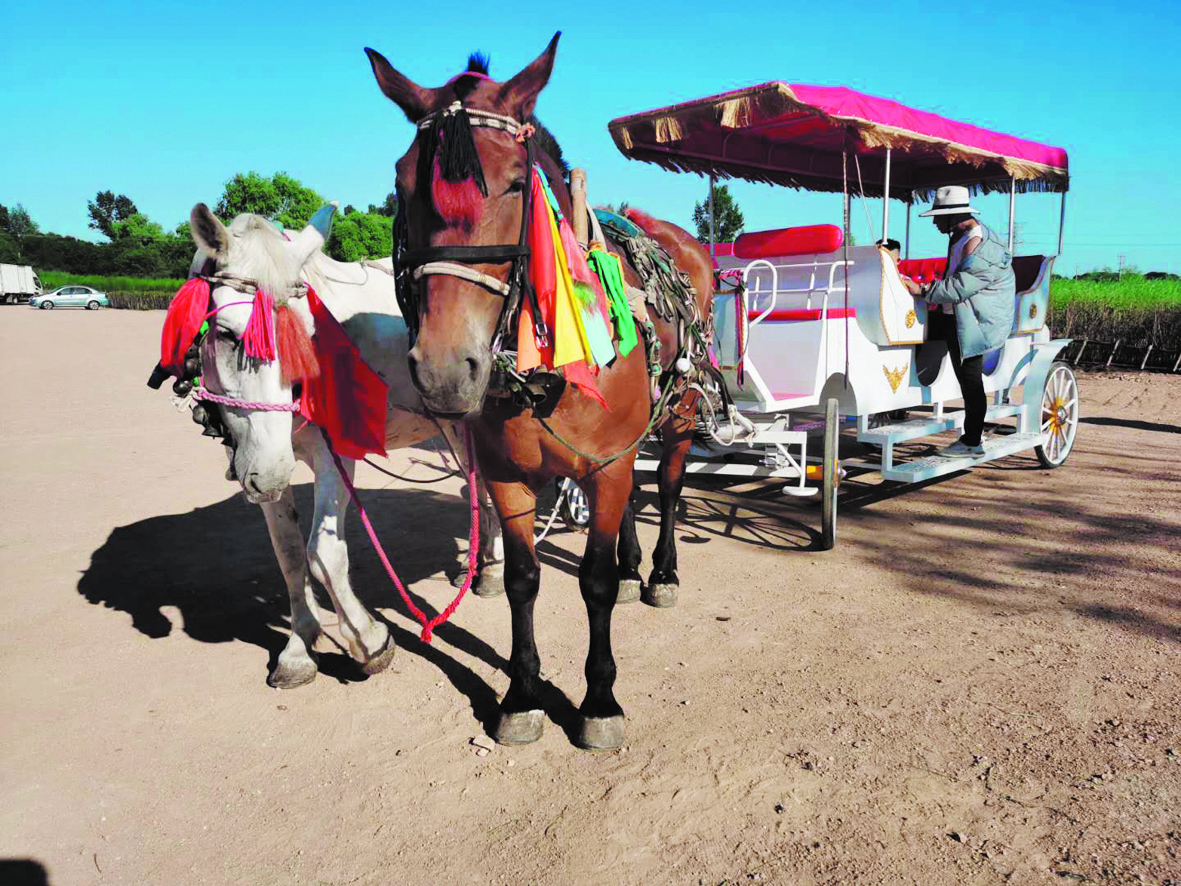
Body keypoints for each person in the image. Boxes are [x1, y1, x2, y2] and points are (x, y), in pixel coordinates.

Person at [902, 186, 1015, 458]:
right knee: (914, 332)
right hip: (959, 313)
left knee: (970, 379)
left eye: (937, 217)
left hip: (976, 321)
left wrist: (921, 290)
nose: (934, 222)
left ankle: (972, 441)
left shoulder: (981, 245)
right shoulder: (961, 237)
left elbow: (960, 287)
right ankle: (901, 397)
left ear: (953, 216)